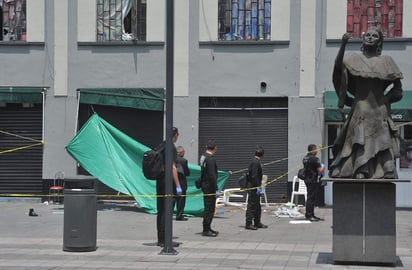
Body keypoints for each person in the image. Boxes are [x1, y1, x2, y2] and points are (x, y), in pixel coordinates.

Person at [330, 27, 403, 179]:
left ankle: (386, 169)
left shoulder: (387, 61)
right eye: (367, 35)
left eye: (374, 36)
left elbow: (398, 90)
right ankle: (359, 169)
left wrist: (386, 99)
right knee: (358, 140)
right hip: (360, 108)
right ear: (363, 40)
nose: (370, 37)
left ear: (379, 41)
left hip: (379, 109)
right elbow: (338, 71)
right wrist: (343, 45)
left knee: (382, 139)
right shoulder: (353, 58)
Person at [156, 127, 182, 247]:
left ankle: (161, 238)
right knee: (167, 210)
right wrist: (177, 185)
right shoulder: (171, 147)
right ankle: (165, 240)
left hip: (159, 181)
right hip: (167, 182)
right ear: (175, 135)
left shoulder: (162, 145)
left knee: (161, 210)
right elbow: (172, 167)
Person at [199, 139, 219, 237]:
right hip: (209, 187)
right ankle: (206, 229)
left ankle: (208, 227)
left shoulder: (203, 156)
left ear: (206, 147)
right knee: (210, 208)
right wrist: (216, 188)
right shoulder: (211, 159)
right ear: (215, 148)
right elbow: (212, 175)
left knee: (208, 207)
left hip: (205, 185)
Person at [245, 146, 268, 230]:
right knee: (251, 205)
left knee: (257, 206)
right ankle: (248, 223)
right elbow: (254, 176)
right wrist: (258, 186)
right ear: (262, 155)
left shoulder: (256, 161)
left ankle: (257, 222)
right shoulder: (255, 162)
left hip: (255, 187)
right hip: (253, 187)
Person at [303, 144, 324, 222]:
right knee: (311, 198)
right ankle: (309, 215)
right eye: (316, 149)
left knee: (310, 197)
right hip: (312, 180)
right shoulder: (315, 159)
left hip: (307, 179)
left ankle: (311, 214)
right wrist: (323, 166)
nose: (317, 151)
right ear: (313, 150)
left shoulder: (305, 158)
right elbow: (320, 170)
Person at [175, 146, 190, 221]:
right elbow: (187, 172)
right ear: (181, 152)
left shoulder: (171, 159)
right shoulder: (184, 161)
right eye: (183, 152)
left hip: (172, 183)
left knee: (171, 200)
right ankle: (179, 215)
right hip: (181, 182)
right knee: (181, 201)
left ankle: (167, 215)